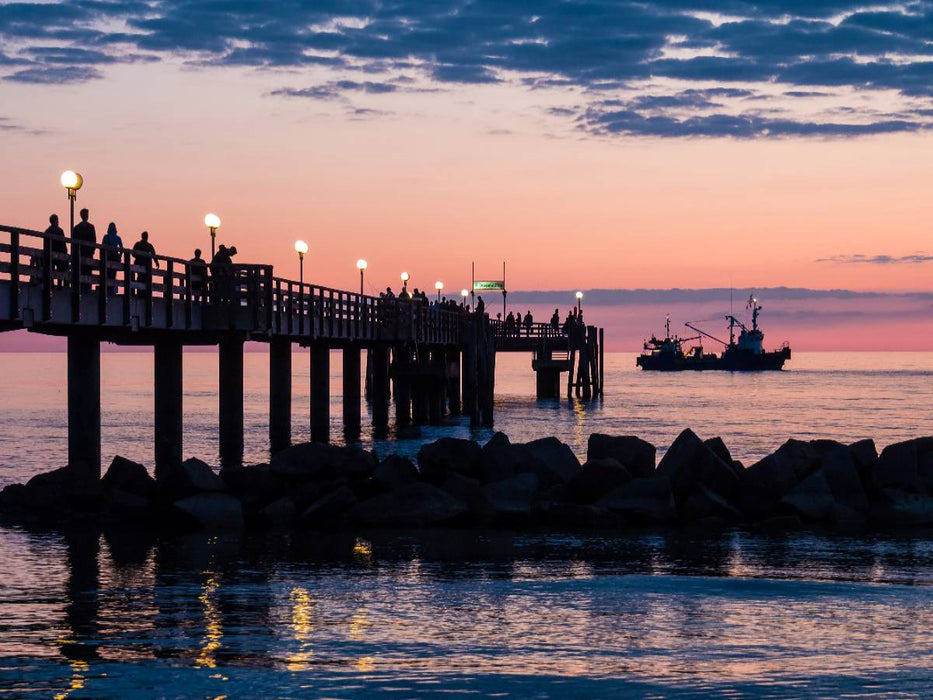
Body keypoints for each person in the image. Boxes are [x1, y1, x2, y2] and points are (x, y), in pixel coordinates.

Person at [71, 208, 97, 291]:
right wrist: (92, 250)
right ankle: (87, 288)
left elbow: (74, 241)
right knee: (88, 271)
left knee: (80, 271)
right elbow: (94, 240)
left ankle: (81, 288)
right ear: (87, 216)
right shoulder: (91, 227)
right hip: (88, 253)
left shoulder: (77, 228)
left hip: (80, 253)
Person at [132, 231, 159, 296]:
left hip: (138, 264)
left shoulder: (137, 244)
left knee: (139, 278)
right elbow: (154, 254)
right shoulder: (149, 246)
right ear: (147, 237)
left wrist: (138, 256)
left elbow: (133, 253)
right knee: (146, 280)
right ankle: (144, 294)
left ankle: (139, 293)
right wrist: (156, 262)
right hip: (146, 265)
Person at [44, 214, 68, 287]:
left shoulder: (47, 231)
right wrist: (65, 252)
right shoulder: (60, 231)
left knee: (50, 268)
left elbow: (45, 244)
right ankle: (59, 284)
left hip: (50, 253)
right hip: (59, 253)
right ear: (55, 221)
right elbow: (63, 243)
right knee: (60, 269)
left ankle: (51, 283)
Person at [101, 222, 123, 294]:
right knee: (113, 275)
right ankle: (111, 289)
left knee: (106, 274)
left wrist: (102, 257)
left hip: (108, 258)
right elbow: (121, 248)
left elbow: (102, 247)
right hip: (115, 259)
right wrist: (119, 256)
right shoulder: (118, 238)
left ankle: (107, 289)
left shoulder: (106, 237)